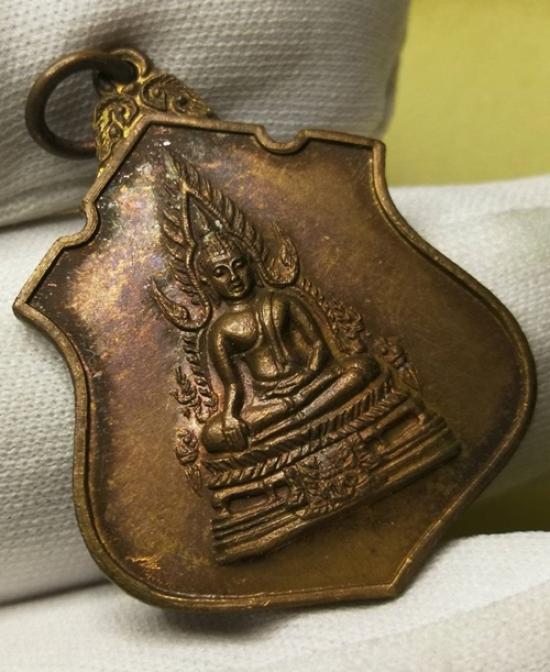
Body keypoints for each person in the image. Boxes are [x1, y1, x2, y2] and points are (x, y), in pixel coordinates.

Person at [197, 228, 380, 453]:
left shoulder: (282, 301)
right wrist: (230, 417)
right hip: (270, 401)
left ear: (251, 264)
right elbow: (233, 385)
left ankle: (286, 430)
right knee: (212, 435)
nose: (234, 277)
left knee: (363, 366)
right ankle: (309, 417)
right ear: (207, 282)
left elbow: (318, 345)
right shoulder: (220, 330)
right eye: (220, 273)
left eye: (239, 265)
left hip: (312, 383)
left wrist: (309, 373)